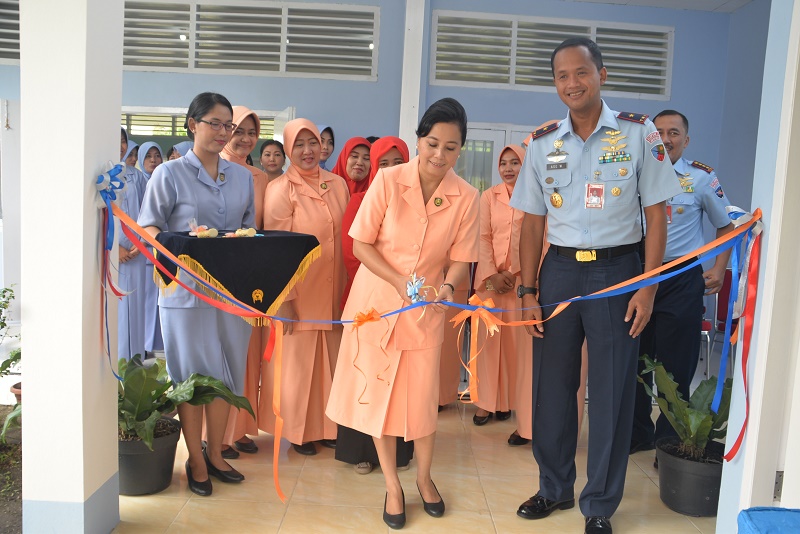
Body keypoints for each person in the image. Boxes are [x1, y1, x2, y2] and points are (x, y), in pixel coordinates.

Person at [509, 38, 682, 534]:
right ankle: (553, 488)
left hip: (618, 273)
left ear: (601, 74)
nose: (572, 83)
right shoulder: (542, 143)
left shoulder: (637, 135)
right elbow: (530, 225)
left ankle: (600, 504)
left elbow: (656, 215)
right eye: (562, 76)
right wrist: (527, 292)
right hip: (559, 273)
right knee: (553, 388)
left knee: (609, 393)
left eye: (581, 72)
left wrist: (647, 287)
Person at [326, 98, 480, 529]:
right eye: (432, 143)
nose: (439, 155)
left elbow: (461, 260)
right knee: (379, 398)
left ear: (460, 150)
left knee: (421, 401)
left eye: (451, 148)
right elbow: (361, 245)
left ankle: (425, 480)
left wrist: (448, 288)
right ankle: (393, 485)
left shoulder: (467, 197)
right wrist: (397, 282)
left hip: (426, 308)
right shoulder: (389, 180)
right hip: (376, 303)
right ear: (419, 140)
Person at [138, 92, 255, 497]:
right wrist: (176, 249)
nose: (223, 133)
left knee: (226, 374)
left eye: (230, 126)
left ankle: (218, 452)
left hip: (231, 292)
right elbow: (147, 229)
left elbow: (248, 229)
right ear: (192, 124)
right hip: (184, 292)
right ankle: (195, 458)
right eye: (215, 123)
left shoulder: (241, 176)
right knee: (191, 377)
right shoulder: (168, 175)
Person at [631, 110, 734, 456]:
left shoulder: (701, 178)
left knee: (676, 365)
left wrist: (719, 268)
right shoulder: (633, 172)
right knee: (635, 359)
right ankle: (637, 433)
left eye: (673, 132)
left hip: (681, 278)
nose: (665, 138)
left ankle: (669, 441)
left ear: (685, 140)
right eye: (658, 131)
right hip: (638, 275)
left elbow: (725, 226)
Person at [260, 119, 349, 456]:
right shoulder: (281, 190)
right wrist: (286, 297)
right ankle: (298, 432)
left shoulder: (337, 184)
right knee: (298, 369)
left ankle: (327, 427)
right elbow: (276, 249)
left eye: (313, 143)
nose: (308, 151)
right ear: (287, 151)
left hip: (334, 289)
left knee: (330, 361)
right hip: (301, 291)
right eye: (299, 145)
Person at [335, 136, 415, 476]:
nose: (391, 171)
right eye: (383, 164)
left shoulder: (418, 205)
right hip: (368, 301)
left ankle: (397, 454)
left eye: (398, 163)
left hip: (406, 303)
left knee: (398, 379)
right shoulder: (360, 200)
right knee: (366, 375)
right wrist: (385, 282)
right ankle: (360, 452)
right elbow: (353, 254)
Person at [214, 106, 271, 459]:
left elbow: (260, 224)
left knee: (247, 355)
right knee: (218, 354)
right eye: (240, 130)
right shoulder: (213, 168)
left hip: (251, 275)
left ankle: (240, 428)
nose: (246, 138)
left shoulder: (259, 177)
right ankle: (214, 435)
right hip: (217, 274)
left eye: (252, 132)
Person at [471, 145, 531, 441]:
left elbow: (536, 237)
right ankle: (485, 404)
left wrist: (515, 272)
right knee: (488, 345)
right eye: (504, 163)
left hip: (521, 283)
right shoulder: (488, 196)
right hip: (490, 284)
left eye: (515, 163)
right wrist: (492, 275)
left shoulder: (533, 195)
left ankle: (508, 403)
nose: (508, 168)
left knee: (516, 350)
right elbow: (481, 236)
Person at [117, 128, 148, 361]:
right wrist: (113, 248)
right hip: (110, 254)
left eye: (123, 141)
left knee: (135, 307)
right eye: (115, 140)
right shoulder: (98, 176)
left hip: (136, 252)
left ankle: (135, 363)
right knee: (115, 311)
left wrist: (140, 242)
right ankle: (115, 364)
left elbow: (146, 212)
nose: (120, 145)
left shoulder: (136, 176)